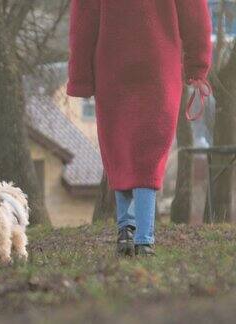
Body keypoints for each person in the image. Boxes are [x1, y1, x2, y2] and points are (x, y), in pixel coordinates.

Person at [68, 0, 213, 256]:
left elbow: (83, 18)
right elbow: (195, 14)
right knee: (150, 150)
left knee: (119, 145)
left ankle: (127, 229)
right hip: (159, 65)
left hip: (112, 65)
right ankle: (144, 237)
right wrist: (197, 66)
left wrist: (81, 77)